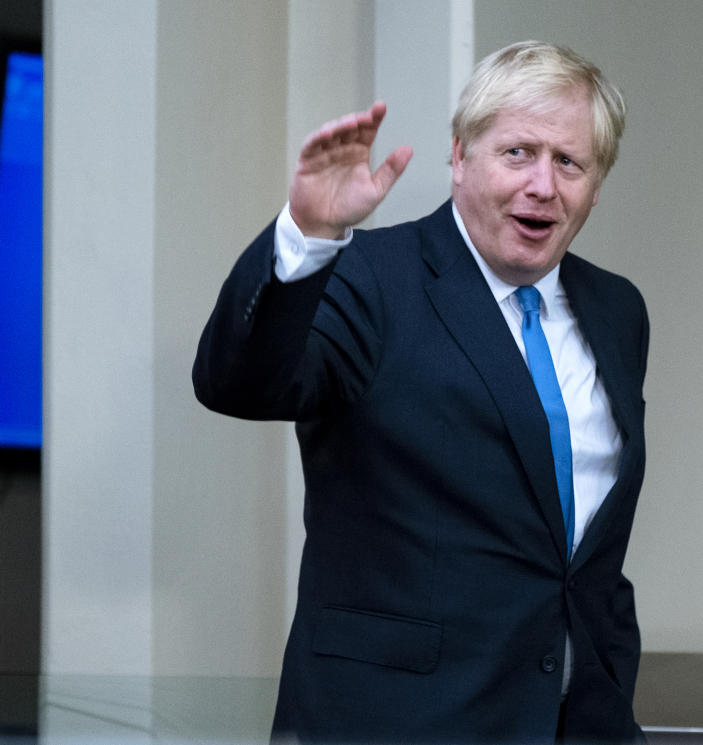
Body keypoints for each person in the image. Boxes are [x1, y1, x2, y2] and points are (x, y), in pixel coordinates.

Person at [193, 41, 649, 744]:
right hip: (400, 722)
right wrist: (309, 235)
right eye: (518, 153)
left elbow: (578, 550)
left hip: (579, 723)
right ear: (460, 157)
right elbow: (240, 383)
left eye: (569, 162)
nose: (543, 185)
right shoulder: (373, 279)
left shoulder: (617, 310)